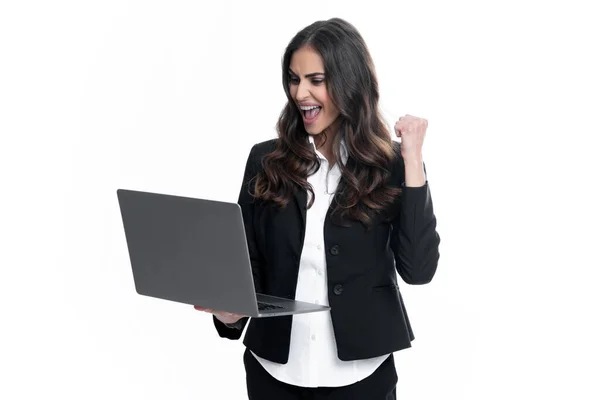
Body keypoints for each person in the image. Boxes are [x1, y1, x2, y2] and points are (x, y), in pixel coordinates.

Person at [194, 17, 440, 399]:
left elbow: (419, 269)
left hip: (361, 376)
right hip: (274, 373)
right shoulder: (266, 160)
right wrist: (231, 315)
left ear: (348, 82)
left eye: (316, 80)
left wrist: (412, 161)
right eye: (294, 79)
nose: (300, 93)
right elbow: (247, 265)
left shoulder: (390, 165)